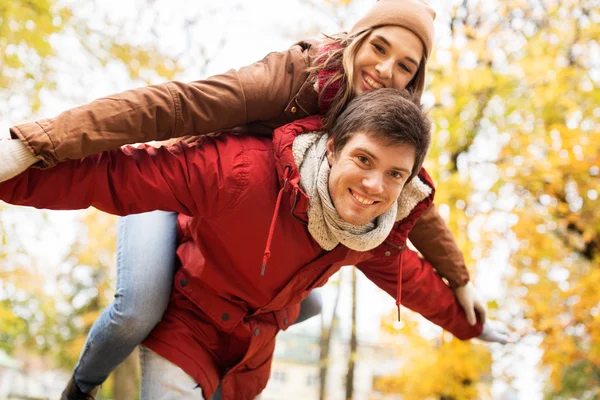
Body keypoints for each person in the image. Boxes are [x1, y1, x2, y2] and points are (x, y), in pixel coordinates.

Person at [0, 0, 487, 397]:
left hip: (251, 216)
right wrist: (36, 142)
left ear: (415, 78)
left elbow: (410, 200)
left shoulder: (381, 135)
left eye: (405, 65)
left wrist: (459, 280)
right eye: (379, 47)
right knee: (138, 308)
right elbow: (175, 106)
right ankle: (82, 387)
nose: (385, 70)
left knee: (305, 302)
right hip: (180, 183)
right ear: (357, 39)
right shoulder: (294, 78)